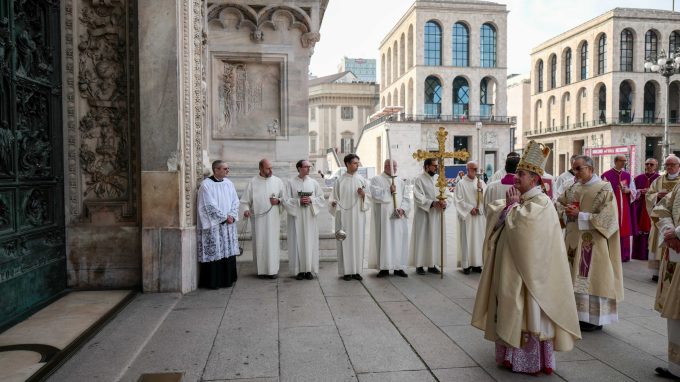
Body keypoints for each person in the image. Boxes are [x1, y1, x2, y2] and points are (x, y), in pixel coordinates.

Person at [472, 140, 581, 376]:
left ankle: (529, 360)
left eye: (521, 174)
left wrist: (511, 208)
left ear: (534, 179)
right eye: (517, 173)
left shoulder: (541, 203)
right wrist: (508, 208)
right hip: (512, 270)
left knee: (527, 312)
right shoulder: (524, 201)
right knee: (511, 306)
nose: (516, 178)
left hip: (530, 276)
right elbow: (498, 215)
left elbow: (525, 231)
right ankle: (510, 354)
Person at [558, 155, 623, 332]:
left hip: (593, 242)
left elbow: (609, 220)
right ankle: (576, 315)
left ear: (591, 169)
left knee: (593, 277)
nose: (575, 172)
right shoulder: (572, 187)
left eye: (579, 168)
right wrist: (565, 212)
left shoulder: (603, 188)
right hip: (572, 239)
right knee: (574, 276)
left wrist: (580, 215)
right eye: (574, 169)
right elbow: (559, 204)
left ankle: (593, 318)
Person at [650, 182, 680, 380]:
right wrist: (670, 233)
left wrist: (677, 233)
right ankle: (676, 367)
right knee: (675, 312)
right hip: (675, 251)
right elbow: (662, 207)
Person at [197, 160, 240, 289]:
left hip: (228, 224)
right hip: (214, 226)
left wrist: (231, 215)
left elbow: (235, 201)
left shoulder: (229, 183)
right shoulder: (206, 185)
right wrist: (224, 217)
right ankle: (214, 282)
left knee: (227, 251)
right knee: (215, 251)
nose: (228, 171)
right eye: (225, 169)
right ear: (216, 170)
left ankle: (228, 280)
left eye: (228, 168)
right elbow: (208, 205)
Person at [241, 158, 286, 279]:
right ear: (260, 168)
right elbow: (245, 201)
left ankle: (273, 270)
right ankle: (261, 271)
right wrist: (246, 210)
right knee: (260, 243)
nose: (271, 170)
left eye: (271, 167)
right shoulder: (252, 182)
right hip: (258, 221)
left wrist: (279, 200)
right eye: (268, 168)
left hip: (273, 220)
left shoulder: (278, 181)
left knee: (272, 244)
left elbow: (285, 199)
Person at [283, 159, 326, 280]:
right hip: (296, 218)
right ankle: (299, 271)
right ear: (299, 168)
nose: (309, 168)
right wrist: (298, 201)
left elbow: (321, 198)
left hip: (310, 217)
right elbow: (285, 200)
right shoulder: (290, 183)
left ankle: (309, 270)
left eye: (309, 167)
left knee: (310, 242)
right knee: (297, 242)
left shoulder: (314, 183)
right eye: (306, 167)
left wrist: (311, 200)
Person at [368, 159, 411, 277]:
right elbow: (374, 194)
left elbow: (407, 198)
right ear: (386, 166)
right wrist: (388, 190)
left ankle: (399, 267)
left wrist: (403, 209)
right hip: (385, 218)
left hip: (399, 217)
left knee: (399, 240)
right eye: (393, 166)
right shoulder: (376, 179)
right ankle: (384, 268)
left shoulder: (400, 181)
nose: (395, 168)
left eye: (396, 166)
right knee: (385, 240)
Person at [330, 154, 369, 281]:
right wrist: (334, 203)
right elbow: (333, 198)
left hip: (358, 217)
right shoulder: (339, 181)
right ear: (347, 164)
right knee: (345, 243)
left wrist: (363, 195)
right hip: (344, 218)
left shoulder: (362, 180)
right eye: (354, 163)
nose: (357, 165)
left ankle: (357, 271)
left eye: (358, 163)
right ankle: (347, 272)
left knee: (358, 242)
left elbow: (369, 198)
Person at [409, 158, 452, 275]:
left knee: (435, 238)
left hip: (437, 215)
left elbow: (447, 194)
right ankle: (419, 265)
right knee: (423, 238)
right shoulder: (419, 179)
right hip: (424, 215)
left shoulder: (439, 179)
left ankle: (432, 264)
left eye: (436, 165)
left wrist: (445, 203)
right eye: (433, 166)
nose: (436, 167)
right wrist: (432, 203)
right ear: (426, 166)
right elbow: (418, 196)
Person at [647, 155, 680, 282]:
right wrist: (657, 196)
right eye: (667, 165)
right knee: (658, 240)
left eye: (672, 165)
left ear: (679, 166)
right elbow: (649, 195)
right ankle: (657, 272)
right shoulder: (658, 181)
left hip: (676, 218)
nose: (669, 167)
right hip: (661, 218)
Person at [602, 155, 637, 262]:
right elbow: (602, 192)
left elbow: (634, 191)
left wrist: (628, 191)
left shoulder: (627, 175)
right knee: (612, 228)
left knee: (624, 229)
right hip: (611, 207)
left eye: (625, 161)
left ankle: (624, 255)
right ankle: (611, 255)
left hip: (624, 207)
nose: (624, 163)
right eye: (622, 161)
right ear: (616, 161)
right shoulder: (606, 175)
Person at [454, 161, 486, 274]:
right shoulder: (461, 184)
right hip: (468, 217)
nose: (476, 171)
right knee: (467, 240)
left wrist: (481, 190)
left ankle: (477, 264)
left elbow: (486, 198)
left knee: (478, 240)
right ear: (468, 169)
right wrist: (469, 209)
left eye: (477, 169)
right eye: (474, 169)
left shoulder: (481, 182)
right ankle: (466, 265)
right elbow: (458, 200)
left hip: (479, 217)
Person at [631, 158, 659, 262]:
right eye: (647, 164)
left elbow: (663, 194)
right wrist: (639, 191)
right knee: (638, 230)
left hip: (653, 208)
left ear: (656, 166)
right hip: (639, 207)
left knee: (652, 230)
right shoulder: (638, 178)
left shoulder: (659, 179)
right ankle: (638, 254)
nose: (649, 166)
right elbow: (632, 192)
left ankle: (648, 255)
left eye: (651, 164)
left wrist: (650, 193)